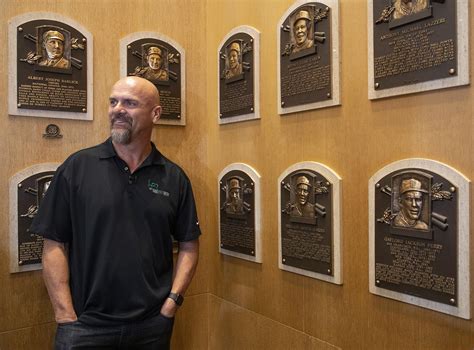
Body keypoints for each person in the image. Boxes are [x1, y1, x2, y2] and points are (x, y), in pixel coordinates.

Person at [30, 76, 201, 349]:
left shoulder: (174, 178)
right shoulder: (77, 168)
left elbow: (189, 245)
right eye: (113, 101)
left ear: (155, 113)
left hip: (151, 327)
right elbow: (53, 242)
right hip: (84, 327)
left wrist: (172, 302)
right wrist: (65, 314)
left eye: (130, 103)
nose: (117, 109)